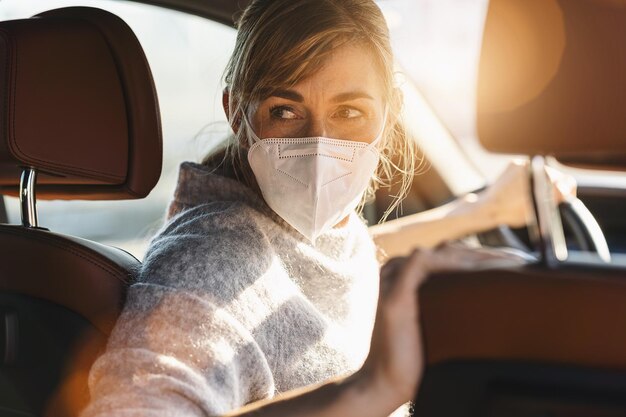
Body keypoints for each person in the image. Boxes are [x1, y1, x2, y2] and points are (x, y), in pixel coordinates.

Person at [82, 0, 574, 416]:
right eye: (285, 110)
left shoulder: (282, 233)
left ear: (391, 115)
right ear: (237, 114)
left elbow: (327, 262)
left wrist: (478, 213)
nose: (319, 144)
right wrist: (370, 389)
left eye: (350, 112)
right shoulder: (210, 262)